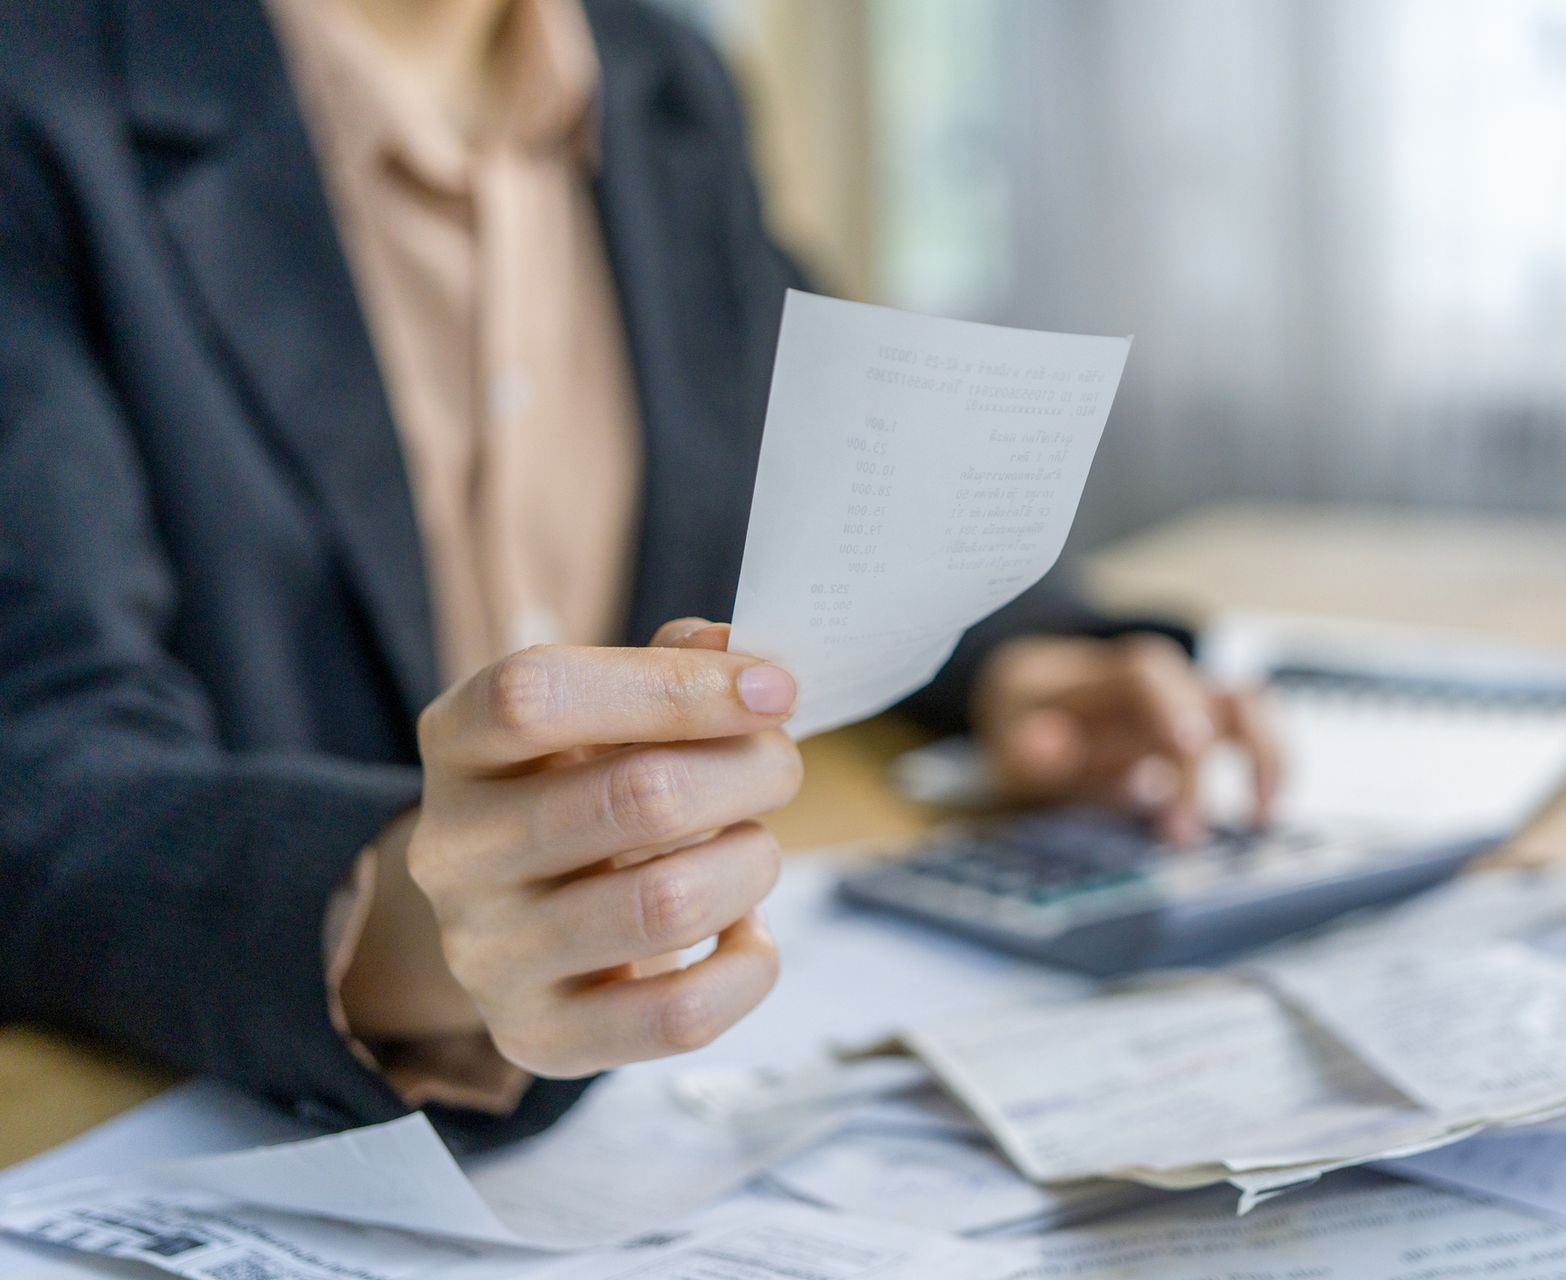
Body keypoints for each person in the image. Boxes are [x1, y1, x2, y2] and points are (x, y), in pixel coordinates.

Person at [0, 0, 1281, 1150]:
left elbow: (803, 457)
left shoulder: (661, 74)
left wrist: (1013, 655)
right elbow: (33, 757)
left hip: (688, 1097)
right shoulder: (40, 93)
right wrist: (392, 912)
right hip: (194, 1108)